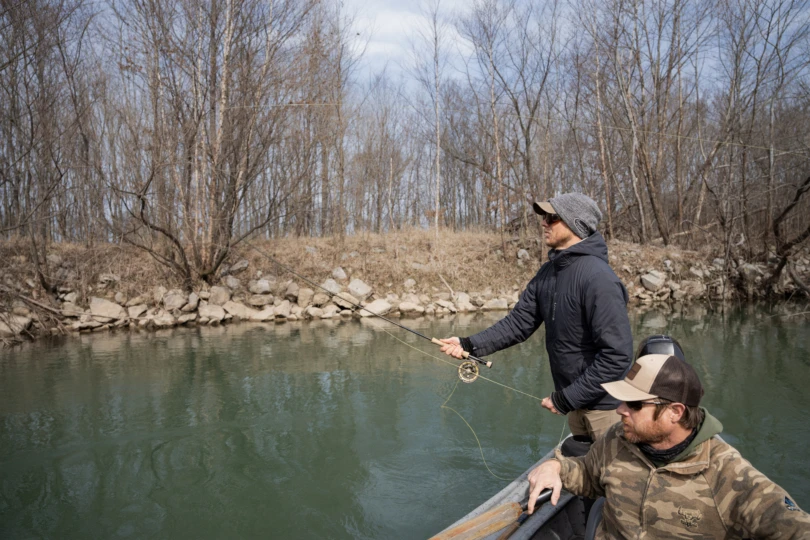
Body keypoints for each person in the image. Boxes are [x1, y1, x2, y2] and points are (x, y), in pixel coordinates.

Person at [526, 352, 810, 538]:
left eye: (635, 404)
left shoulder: (730, 475)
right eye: (622, 400)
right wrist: (557, 467)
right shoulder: (618, 438)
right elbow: (589, 475)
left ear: (675, 412)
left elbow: (793, 527)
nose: (621, 409)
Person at [440, 193, 633, 440]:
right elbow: (519, 323)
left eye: (552, 217)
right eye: (543, 217)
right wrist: (468, 344)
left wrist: (568, 397)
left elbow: (617, 356)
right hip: (575, 405)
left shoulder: (599, 278)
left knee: (609, 476)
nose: (543, 223)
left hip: (606, 408)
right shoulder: (548, 272)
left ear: (576, 224)